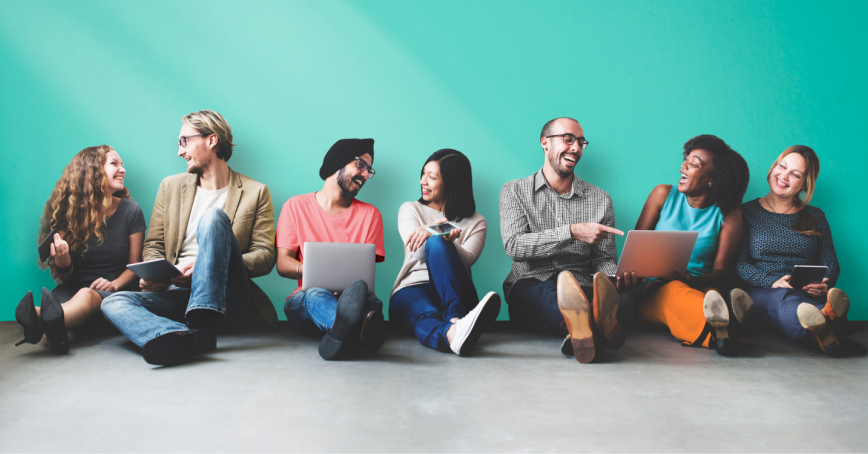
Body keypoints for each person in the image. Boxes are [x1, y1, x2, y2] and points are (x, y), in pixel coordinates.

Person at [101, 110, 277, 366]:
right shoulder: (170, 186)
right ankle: (183, 335)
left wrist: (208, 267)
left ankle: (202, 315)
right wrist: (156, 276)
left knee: (213, 218)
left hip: (229, 294)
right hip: (179, 293)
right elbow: (154, 245)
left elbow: (265, 256)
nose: (180, 151)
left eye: (184, 141)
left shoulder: (256, 192)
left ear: (211, 140)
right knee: (113, 303)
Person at [500, 117, 638, 364]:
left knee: (599, 293)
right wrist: (571, 232)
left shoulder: (600, 199)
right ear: (545, 143)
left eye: (581, 142)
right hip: (530, 287)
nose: (576, 148)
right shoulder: (514, 191)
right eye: (568, 139)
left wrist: (615, 276)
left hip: (583, 284)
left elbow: (604, 259)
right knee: (549, 292)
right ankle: (594, 324)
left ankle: (580, 331)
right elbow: (514, 246)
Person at [15, 145, 146, 354]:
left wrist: (113, 284)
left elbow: (135, 266)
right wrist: (63, 257)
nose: (123, 169)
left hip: (112, 294)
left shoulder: (131, 211)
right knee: (54, 333)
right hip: (70, 292)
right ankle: (53, 324)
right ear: (94, 172)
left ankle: (36, 315)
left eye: (122, 165)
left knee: (86, 295)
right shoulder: (69, 216)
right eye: (114, 164)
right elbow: (65, 278)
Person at [736, 145, 864, 357]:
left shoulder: (815, 216)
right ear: (773, 167)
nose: (783, 176)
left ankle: (823, 328)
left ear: (805, 184)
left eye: (795, 174)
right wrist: (771, 281)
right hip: (763, 291)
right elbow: (739, 263)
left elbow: (831, 262)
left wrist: (825, 284)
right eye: (782, 167)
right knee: (782, 299)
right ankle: (827, 324)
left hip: (806, 292)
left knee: (811, 301)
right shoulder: (746, 212)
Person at [634, 135, 753, 356]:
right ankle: (730, 328)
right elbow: (634, 252)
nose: (683, 166)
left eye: (693, 164)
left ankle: (724, 326)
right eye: (685, 159)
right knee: (677, 293)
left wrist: (690, 280)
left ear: (713, 179)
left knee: (710, 296)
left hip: (702, 286)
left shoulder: (729, 213)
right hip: (656, 288)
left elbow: (721, 271)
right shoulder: (662, 194)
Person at [277, 138, 386, 360]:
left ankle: (339, 336)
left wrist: (348, 291)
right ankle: (356, 332)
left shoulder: (371, 215)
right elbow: (282, 264)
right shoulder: (295, 206)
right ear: (338, 162)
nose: (365, 175)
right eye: (361, 165)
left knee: (370, 301)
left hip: (352, 299)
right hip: (306, 301)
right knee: (317, 294)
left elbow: (365, 274)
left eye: (369, 170)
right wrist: (311, 271)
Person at [390, 149, 500, 356]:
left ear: (452, 182)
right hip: (413, 288)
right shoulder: (410, 209)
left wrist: (441, 232)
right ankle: (454, 331)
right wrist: (436, 228)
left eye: (431, 177)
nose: (423, 181)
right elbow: (419, 252)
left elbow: (466, 261)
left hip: (455, 290)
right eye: (423, 174)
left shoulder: (477, 221)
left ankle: (455, 318)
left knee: (439, 244)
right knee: (426, 315)